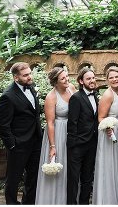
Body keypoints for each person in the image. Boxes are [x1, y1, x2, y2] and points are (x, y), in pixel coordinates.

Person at [0, 61, 42, 204]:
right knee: (13, 179)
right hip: (18, 145)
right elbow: (3, 125)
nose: (29, 77)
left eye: (30, 73)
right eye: (25, 75)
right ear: (16, 78)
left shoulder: (31, 88)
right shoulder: (8, 96)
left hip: (35, 142)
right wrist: (12, 145)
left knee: (33, 177)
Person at [35, 67, 75, 204]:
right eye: (63, 78)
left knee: (70, 166)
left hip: (71, 131)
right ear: (55, 82)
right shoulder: (51, 97)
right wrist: (53, 146)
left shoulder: (71, 88)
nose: (67, 79)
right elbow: (50, 123)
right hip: (57, 133)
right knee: (58, 163)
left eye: (67, 76)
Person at [92, 66, 118, 205]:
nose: (114, 79)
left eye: (116, 76)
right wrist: (108, 127)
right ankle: (107, 200)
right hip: (109, 133)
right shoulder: (108, 94)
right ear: (107, 80)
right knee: (110, 166)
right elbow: (100, 117)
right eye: (111, 77)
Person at [66, 68, 99, 204]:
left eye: (93, 78)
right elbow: (72, 122)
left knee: (87, 178)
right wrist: (73, 144)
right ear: (81, 81)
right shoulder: (76, 98)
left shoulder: (95, 95)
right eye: (88, 79)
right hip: (78, 145)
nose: (92, 81)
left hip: (92, 144)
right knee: (73, 179)